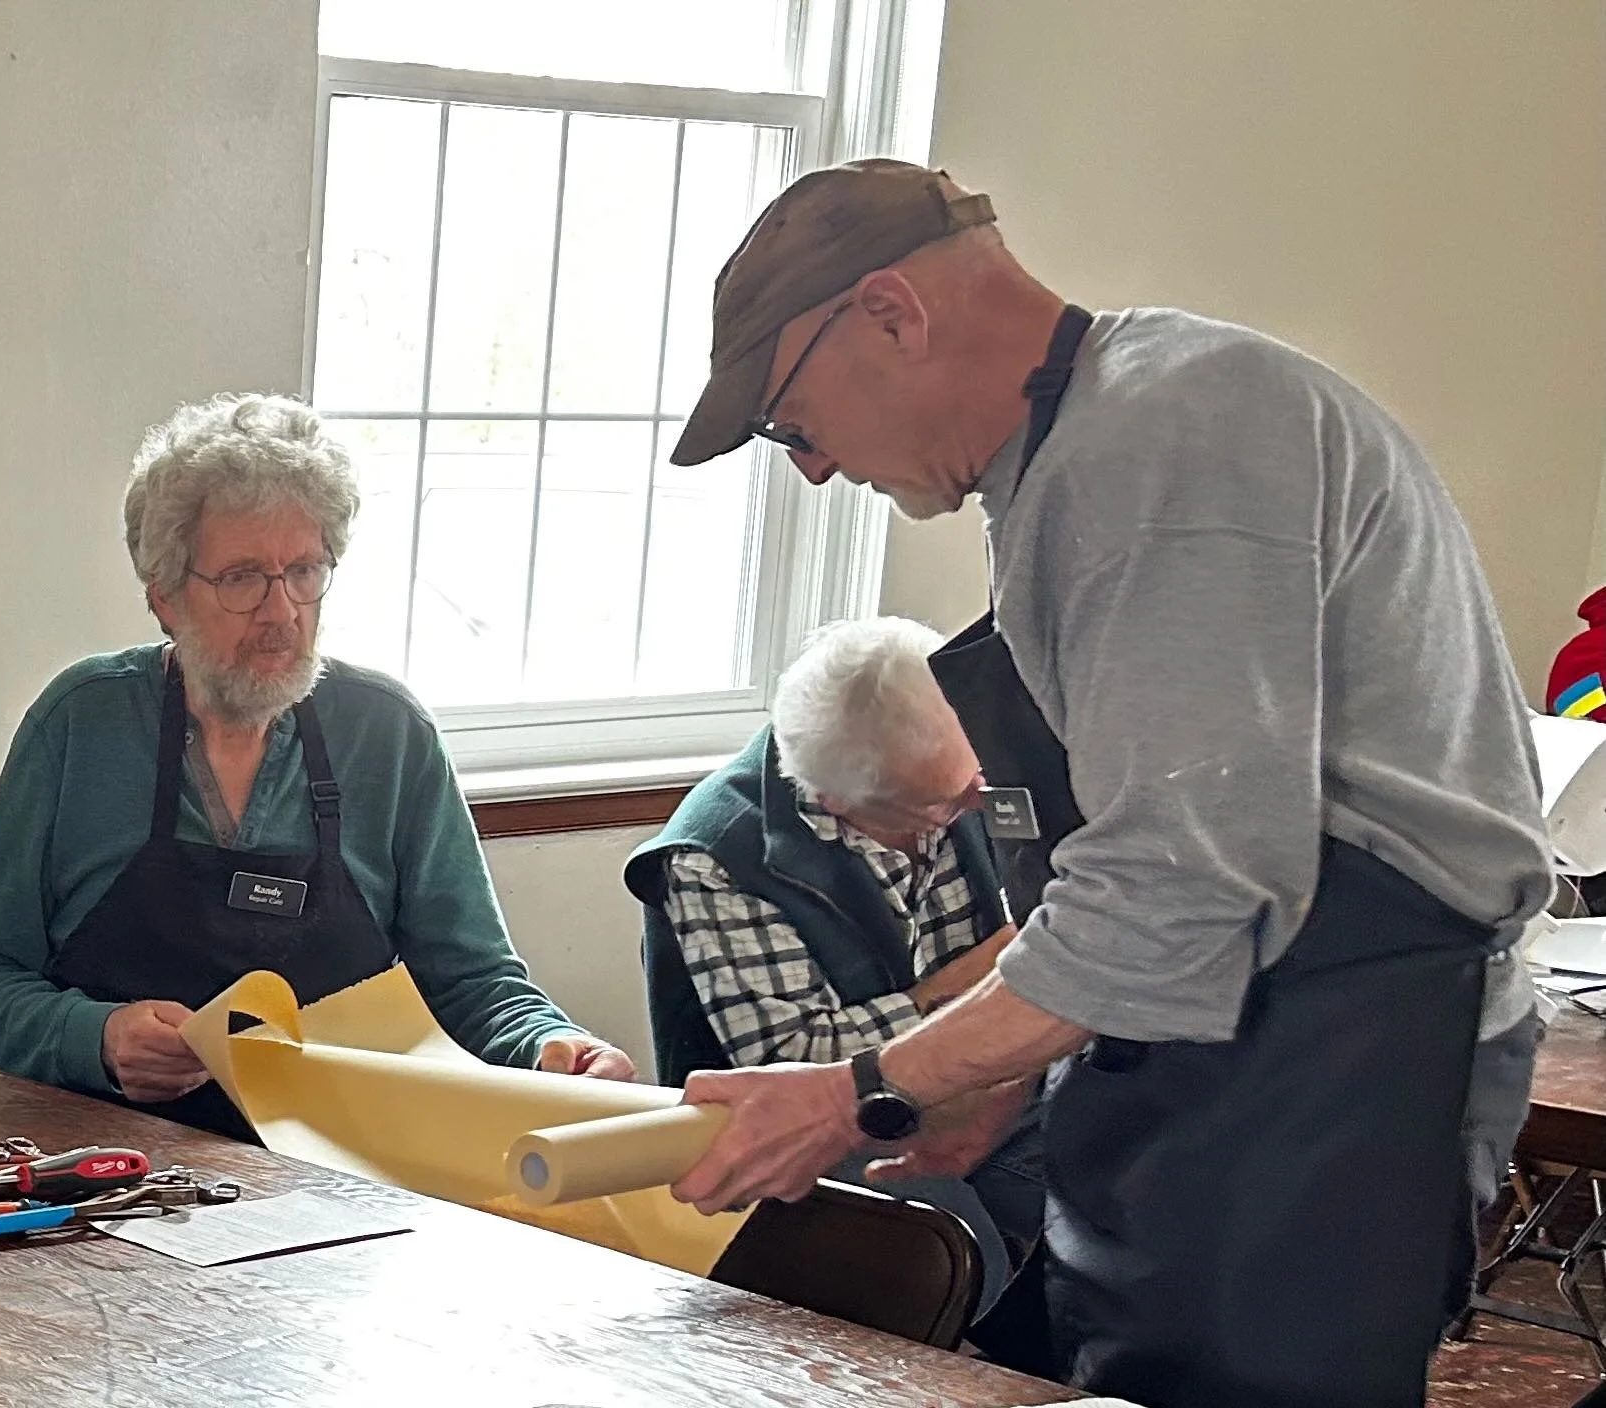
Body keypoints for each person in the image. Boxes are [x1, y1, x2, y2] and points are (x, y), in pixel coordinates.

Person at [657, 159, 1553, 1408]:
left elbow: (1178, 884)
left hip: (1331, 1060)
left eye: (787, 423)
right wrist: (994, 1065)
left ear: (889, 315)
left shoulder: (1161, 445)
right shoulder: (1069, 454)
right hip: (1218, 1052)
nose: (805, 468)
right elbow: (1119, 844)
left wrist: (863, 1092)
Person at [0, 393, 633, 1140]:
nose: (282, 611)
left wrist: (548, 1046)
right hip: (107, 1170)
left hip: (344, 1174)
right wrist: (94, 1039)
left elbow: (472, 983)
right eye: (241, 578)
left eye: (303, 571)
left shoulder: (385, 733)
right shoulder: (83, 723)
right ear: (164, 597)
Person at [624, 615, 1043, 1321]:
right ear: (835, 802)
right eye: (941, 803)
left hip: (986, 1083)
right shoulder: (714, 856)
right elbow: (801, 1059)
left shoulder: (968, 765)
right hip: (805, 1142)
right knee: (948, 1254)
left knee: (1138, 1179)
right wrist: (985, 972)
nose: (978, 800)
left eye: (974, 773)